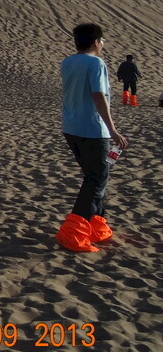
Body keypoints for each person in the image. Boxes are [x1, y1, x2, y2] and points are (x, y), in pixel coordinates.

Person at [55, 23, 128, 253]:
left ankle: (96, 226)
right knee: (96, 179)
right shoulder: (96, 63)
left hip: (71, 127)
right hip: (92, 129)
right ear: (97, 42)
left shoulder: (68, 62)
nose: (103, 45)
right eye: (103, 41)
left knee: (95, 176)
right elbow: (98, 96)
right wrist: (113, 130)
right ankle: (73, 232)